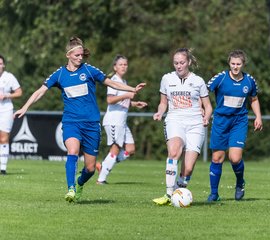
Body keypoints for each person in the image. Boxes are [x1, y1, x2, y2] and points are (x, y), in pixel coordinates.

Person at [13, 37, 145, 203]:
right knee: (73, 151)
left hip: (91, 124)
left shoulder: (89, 70)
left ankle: (79, 183)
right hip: (71, 122)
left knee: (90, 169)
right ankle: (71, 189)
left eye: (81, 55)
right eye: (76, 55)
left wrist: (132, 88)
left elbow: (110, 82)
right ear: (68, 55)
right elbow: (40, 91)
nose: (80, 57)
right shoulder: (59, 74)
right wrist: (25, 107)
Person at [152, 48, 213, 205]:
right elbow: (163, 102)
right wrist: (159, 112)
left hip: (195, 124)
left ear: (189, 62)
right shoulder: (167, 79)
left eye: (182, 63)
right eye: (175, 63)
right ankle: (168, 193)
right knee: (174, 151)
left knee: (188, 169)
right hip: (174, 119)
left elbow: (208, 106)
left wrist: (206, 117)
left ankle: (177, 195)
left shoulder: (198, 81)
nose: (178, 66)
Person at [206, 49, 263, 202]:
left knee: (235, 158)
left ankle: (240, 183)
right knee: (217, 158)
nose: (235, 67)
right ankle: (214, 194)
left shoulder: (249, 81)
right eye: (233, 64)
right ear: (229, 63)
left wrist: (258, 116)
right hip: (220, 121)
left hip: (239, 121)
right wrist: (203, 109)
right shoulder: (221, 78)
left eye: (238, 64)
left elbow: (254, 99)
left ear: (243, 64)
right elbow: (203, 92)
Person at [96, 55, 147, 184]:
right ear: (115, 67)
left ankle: (104, 165)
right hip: (114, 121)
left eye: (125, 64)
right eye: (121, 64)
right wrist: (127, 95)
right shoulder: (114, 80)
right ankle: (101, 179)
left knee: (130, 149)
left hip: (122, 122)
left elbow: (122, 102)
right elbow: (110, 100)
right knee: (116, 148)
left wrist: (134, 103)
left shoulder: (123, 82)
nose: (124, 66)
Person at [0, 54, 23, 175]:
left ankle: (2, 168)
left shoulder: (9, 77)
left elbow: (19, 92)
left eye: (0, 63)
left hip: (5, 110)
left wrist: (7, 95)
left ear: (3, 65)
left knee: (3, 138)